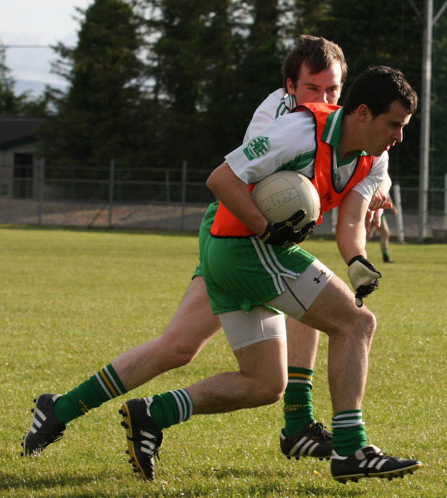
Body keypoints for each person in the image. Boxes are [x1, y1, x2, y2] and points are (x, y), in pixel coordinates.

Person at [21, 36, 352, 463]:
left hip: (266, 245)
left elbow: (357, 161)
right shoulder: (276, 114)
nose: (323, 99)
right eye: (313, 89)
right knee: (187, 344)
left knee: (187, 346)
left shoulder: (339, 120)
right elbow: (249, 178)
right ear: (291, 86)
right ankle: (296, 424)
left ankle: (297, 424)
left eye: (332, 90)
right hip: (235, 234)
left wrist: (374, 192)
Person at [118, 66, 422, 484]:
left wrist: (358, 262)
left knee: (263, 384)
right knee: (356, 323)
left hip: (253, 250)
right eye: (395, 124)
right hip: (242, 246)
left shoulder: (376, 158)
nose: (399, 136)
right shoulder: (298, 130)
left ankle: (154, 412)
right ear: (364, 113)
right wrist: (265, 226)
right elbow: (221, 178)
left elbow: (351, 222)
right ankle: (352, 450)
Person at [367, 194, 398, 263]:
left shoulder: (385, 183)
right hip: (370, 209)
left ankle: (386, 257)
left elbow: (387, 196)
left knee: (385, 232)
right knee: (367, 235)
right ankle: (357, 254)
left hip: (380, 211)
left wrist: (392, 207)